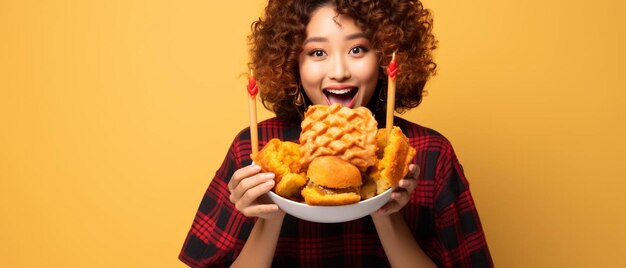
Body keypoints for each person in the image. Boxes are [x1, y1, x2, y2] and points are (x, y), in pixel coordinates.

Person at [179, 0, 493, 267]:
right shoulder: (256, 148)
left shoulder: (427, 152)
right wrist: (270, 212)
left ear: (384, 58)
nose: (340, 71)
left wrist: (384, 206)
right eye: (318, 53)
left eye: (358, 49)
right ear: (292, 62)